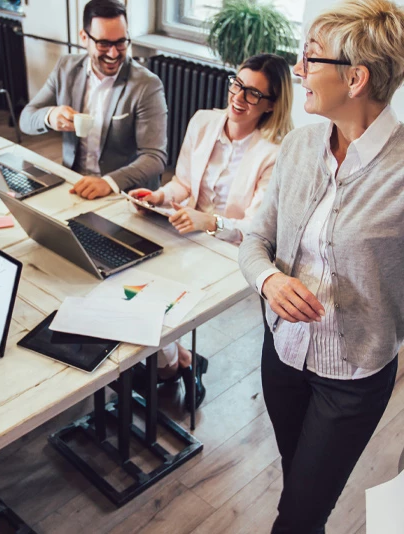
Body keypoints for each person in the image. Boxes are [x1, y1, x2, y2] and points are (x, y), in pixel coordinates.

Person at [238, 1, 404, 531]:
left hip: (352, 377)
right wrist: (269, 279)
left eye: (310, 58)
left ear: (356, 78)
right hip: (281, 355)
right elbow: (253, 238)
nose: (298, 71)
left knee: (297, 515)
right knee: (302, 491)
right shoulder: (299, 144)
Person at [131, 54, 293, 409]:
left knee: (157, 298)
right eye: (237, 84)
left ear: (270, 104)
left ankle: (169, 366)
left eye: (252, 94)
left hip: (230, 251)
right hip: (185, 233)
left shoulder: (276, 151)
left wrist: (211, 222)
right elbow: (184, 182)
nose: (238, 97)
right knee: (133, 283)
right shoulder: (204, 121)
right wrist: (159, 196)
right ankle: (179, 363)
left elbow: (258, 227)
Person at [18, 0, 167, 200]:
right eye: (104, 43)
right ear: (83, 37)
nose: (113, 54)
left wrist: (109, 182)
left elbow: (155, 157)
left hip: (123, 192)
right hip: (74, 183)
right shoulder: (66, 68)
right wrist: (50, 116)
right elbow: (26, 119)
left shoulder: (146, 85)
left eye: (121, 42)